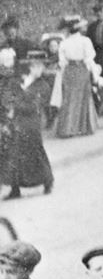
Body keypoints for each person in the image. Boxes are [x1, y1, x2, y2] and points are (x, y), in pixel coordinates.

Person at [3, 53, 53, 198]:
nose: (38, 69)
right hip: (18, 122)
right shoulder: (21, 81)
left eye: (40, 67)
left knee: (35, 151)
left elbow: (34, 106)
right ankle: (15, 188)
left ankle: (47, 181)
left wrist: (15, 106)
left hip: (32, 122)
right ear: (30, 67)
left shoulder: (43, 86)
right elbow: (9, 97)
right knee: (15, 154)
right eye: (35, 66)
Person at [55, 17, 99, 138]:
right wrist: (93, 71)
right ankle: (84, 127)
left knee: (69, 98)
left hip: (69, 70)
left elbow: (62, 61)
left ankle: (67, 129)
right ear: (78, 29)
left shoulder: (64, 43)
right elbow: (89, 57)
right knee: (84, 97)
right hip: (81, 70)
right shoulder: (85, 41)